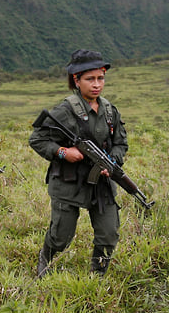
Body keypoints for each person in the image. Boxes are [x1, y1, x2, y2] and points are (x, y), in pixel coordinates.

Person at [29, 50, 128, 277]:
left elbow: (121, 144)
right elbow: (37, 139)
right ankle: (46, 257)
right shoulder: (65, 111)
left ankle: (98, 274)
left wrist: (112, 161)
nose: (96, 85)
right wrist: (63, 152)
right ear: (76, 80)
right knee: (61, 236)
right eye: (89, 79)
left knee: (108, 234)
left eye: (100, 78)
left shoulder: (110, 111)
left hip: (101, 184)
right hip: (69, 182)